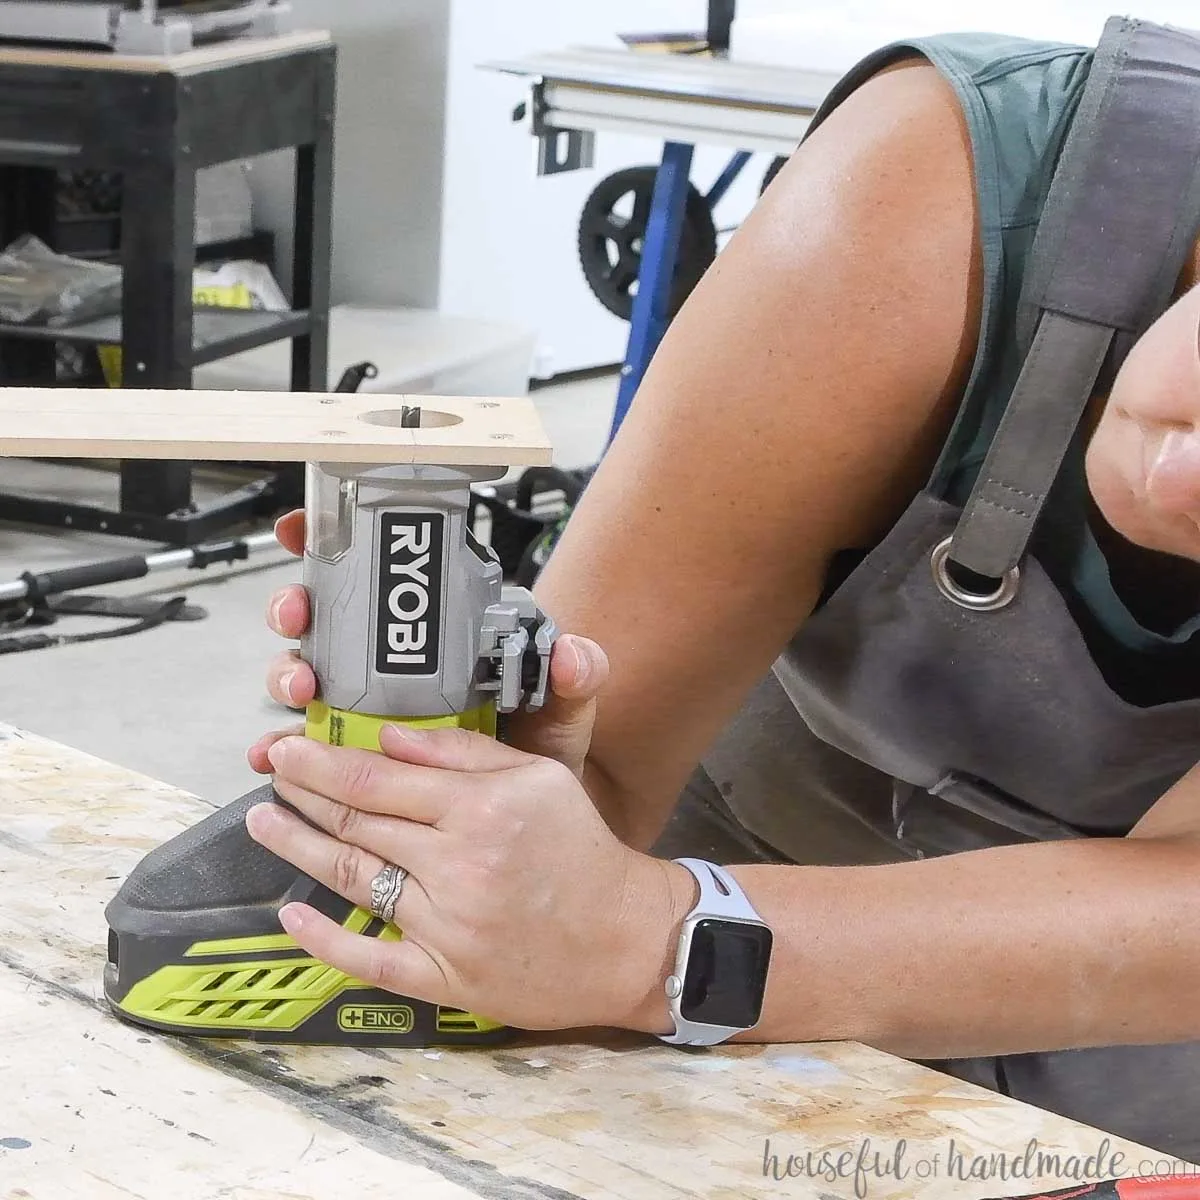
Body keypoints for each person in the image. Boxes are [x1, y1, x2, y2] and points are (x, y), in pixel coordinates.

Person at [246, 22, 1200, 1159]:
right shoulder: (932, 198)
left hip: (1134, 1058)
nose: (1183, 478)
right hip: (711, 932)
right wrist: (502, 802)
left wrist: (665, 940)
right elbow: (591, 781)